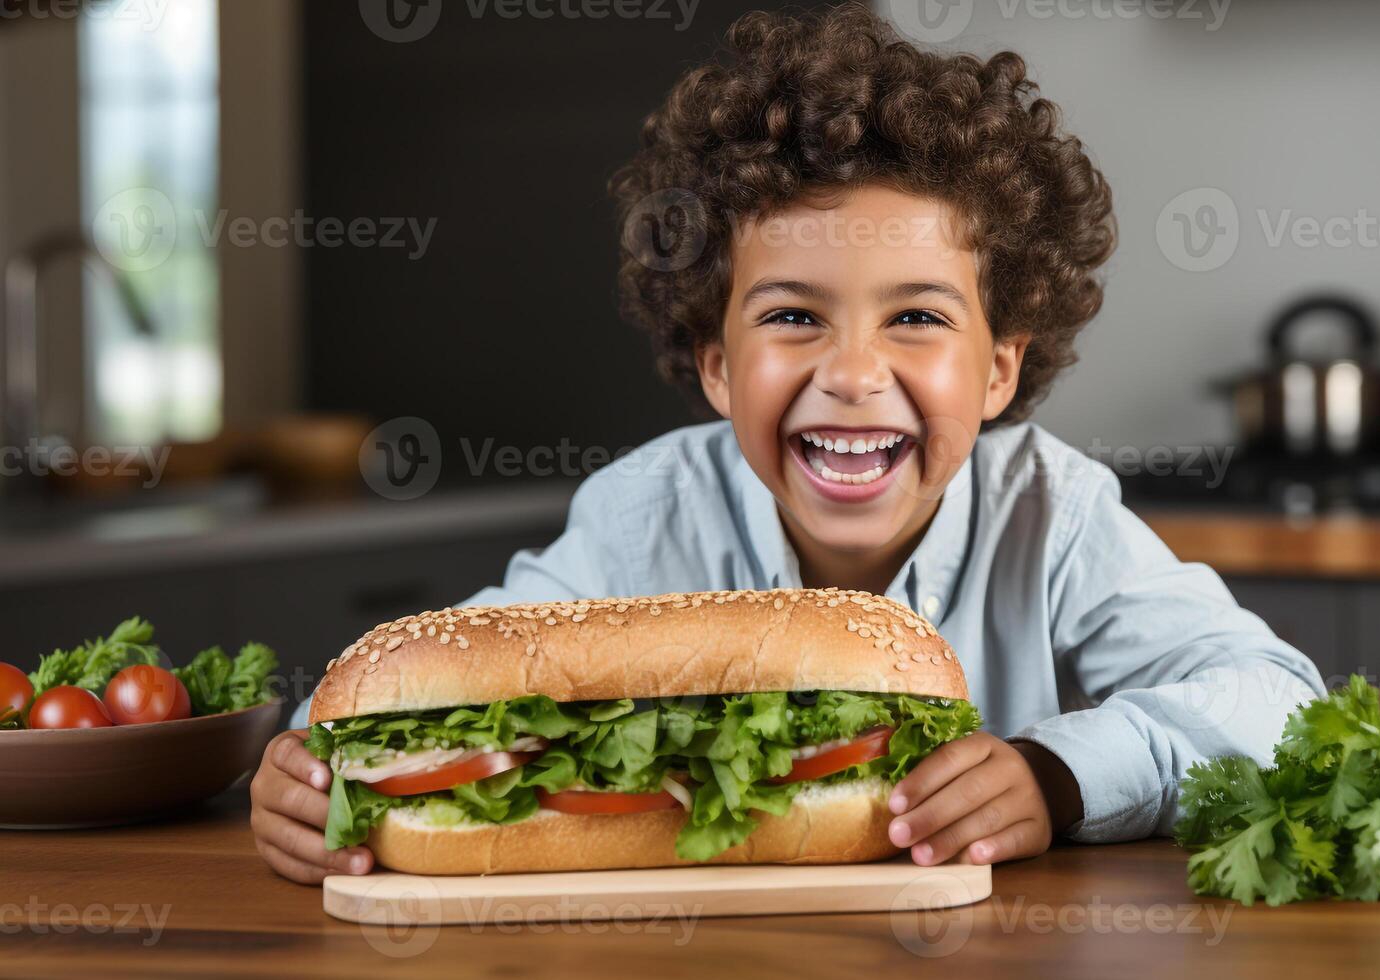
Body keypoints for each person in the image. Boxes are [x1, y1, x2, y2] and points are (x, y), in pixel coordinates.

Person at [252, 3, 1323, 885]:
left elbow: (1273, 697)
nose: (853, 374)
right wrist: (311, 768)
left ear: (998, 368)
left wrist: (1055, 772)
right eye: (791, 317)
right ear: (714, 364)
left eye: (914, 317)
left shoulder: (1053, 511)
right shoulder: (647, 511)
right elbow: (447, 672)